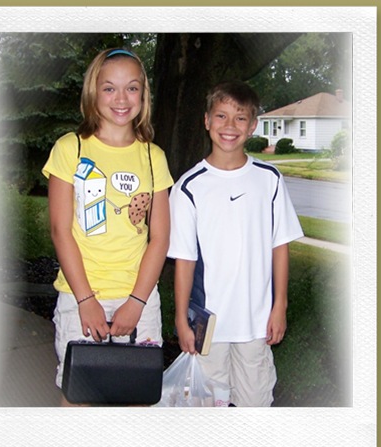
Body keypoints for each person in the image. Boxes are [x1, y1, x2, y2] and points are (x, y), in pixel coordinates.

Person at [42, 48, 174, 405]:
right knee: (79, 396)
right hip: (81, 297)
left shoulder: (153, 155)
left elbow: (159, 238)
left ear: (143, 95)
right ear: (92, 92)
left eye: (132, 88)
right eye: (109, 88)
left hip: (140, 298)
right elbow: (60, 230)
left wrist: (136, 302)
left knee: (136, 398)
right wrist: (85, 300)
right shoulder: (70, 148)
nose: (121, 98)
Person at [167, 80, 304, 407]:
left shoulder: (269, 180)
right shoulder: (188, 187)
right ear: (206, 121)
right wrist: (179, 319)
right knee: (208, 409)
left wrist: (279, 305)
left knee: (255, 405)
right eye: (221, 116)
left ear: (253, 125)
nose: (230, 126)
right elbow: (184, 260)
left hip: (256, 322)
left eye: (240, 118)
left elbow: (279, 246)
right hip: (208, 323)